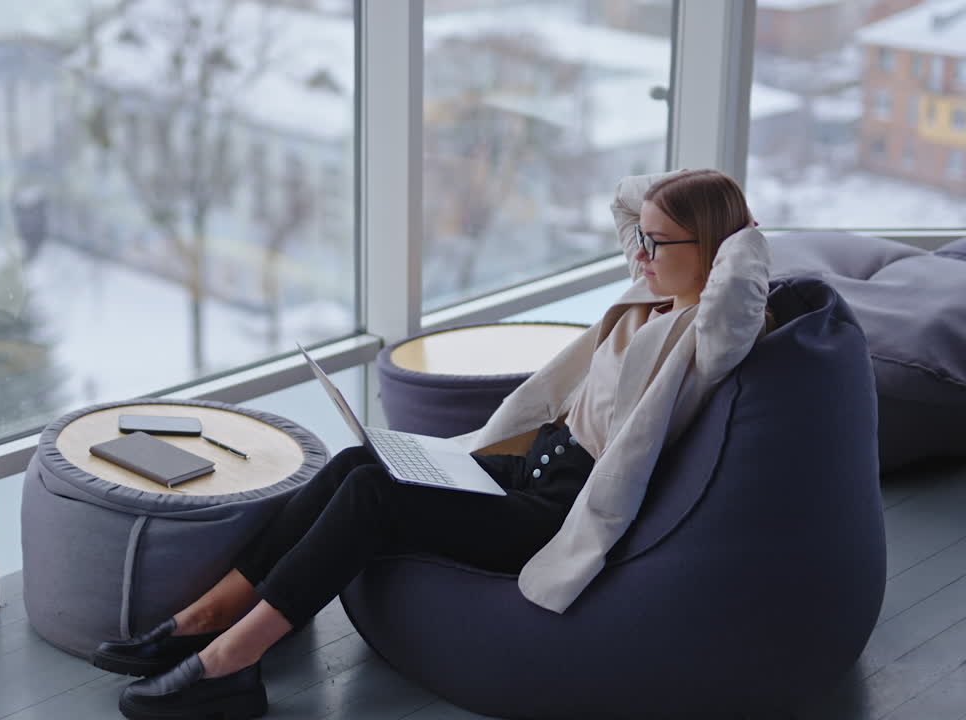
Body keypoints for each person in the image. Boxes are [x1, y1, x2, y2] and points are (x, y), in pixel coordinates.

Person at [103, 168, 774, 720]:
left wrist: (736, 233)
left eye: (657, 244)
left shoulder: (706, 333)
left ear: (715, 251)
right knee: (360, 460)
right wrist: (670, 223)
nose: (638, 254)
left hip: (560, 512)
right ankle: (210, 615)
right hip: (527, 468)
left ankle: (230, 665)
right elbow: (630, 203)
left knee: (374, 495)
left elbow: (738, 292)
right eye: (642, 241)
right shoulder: (650, 294)